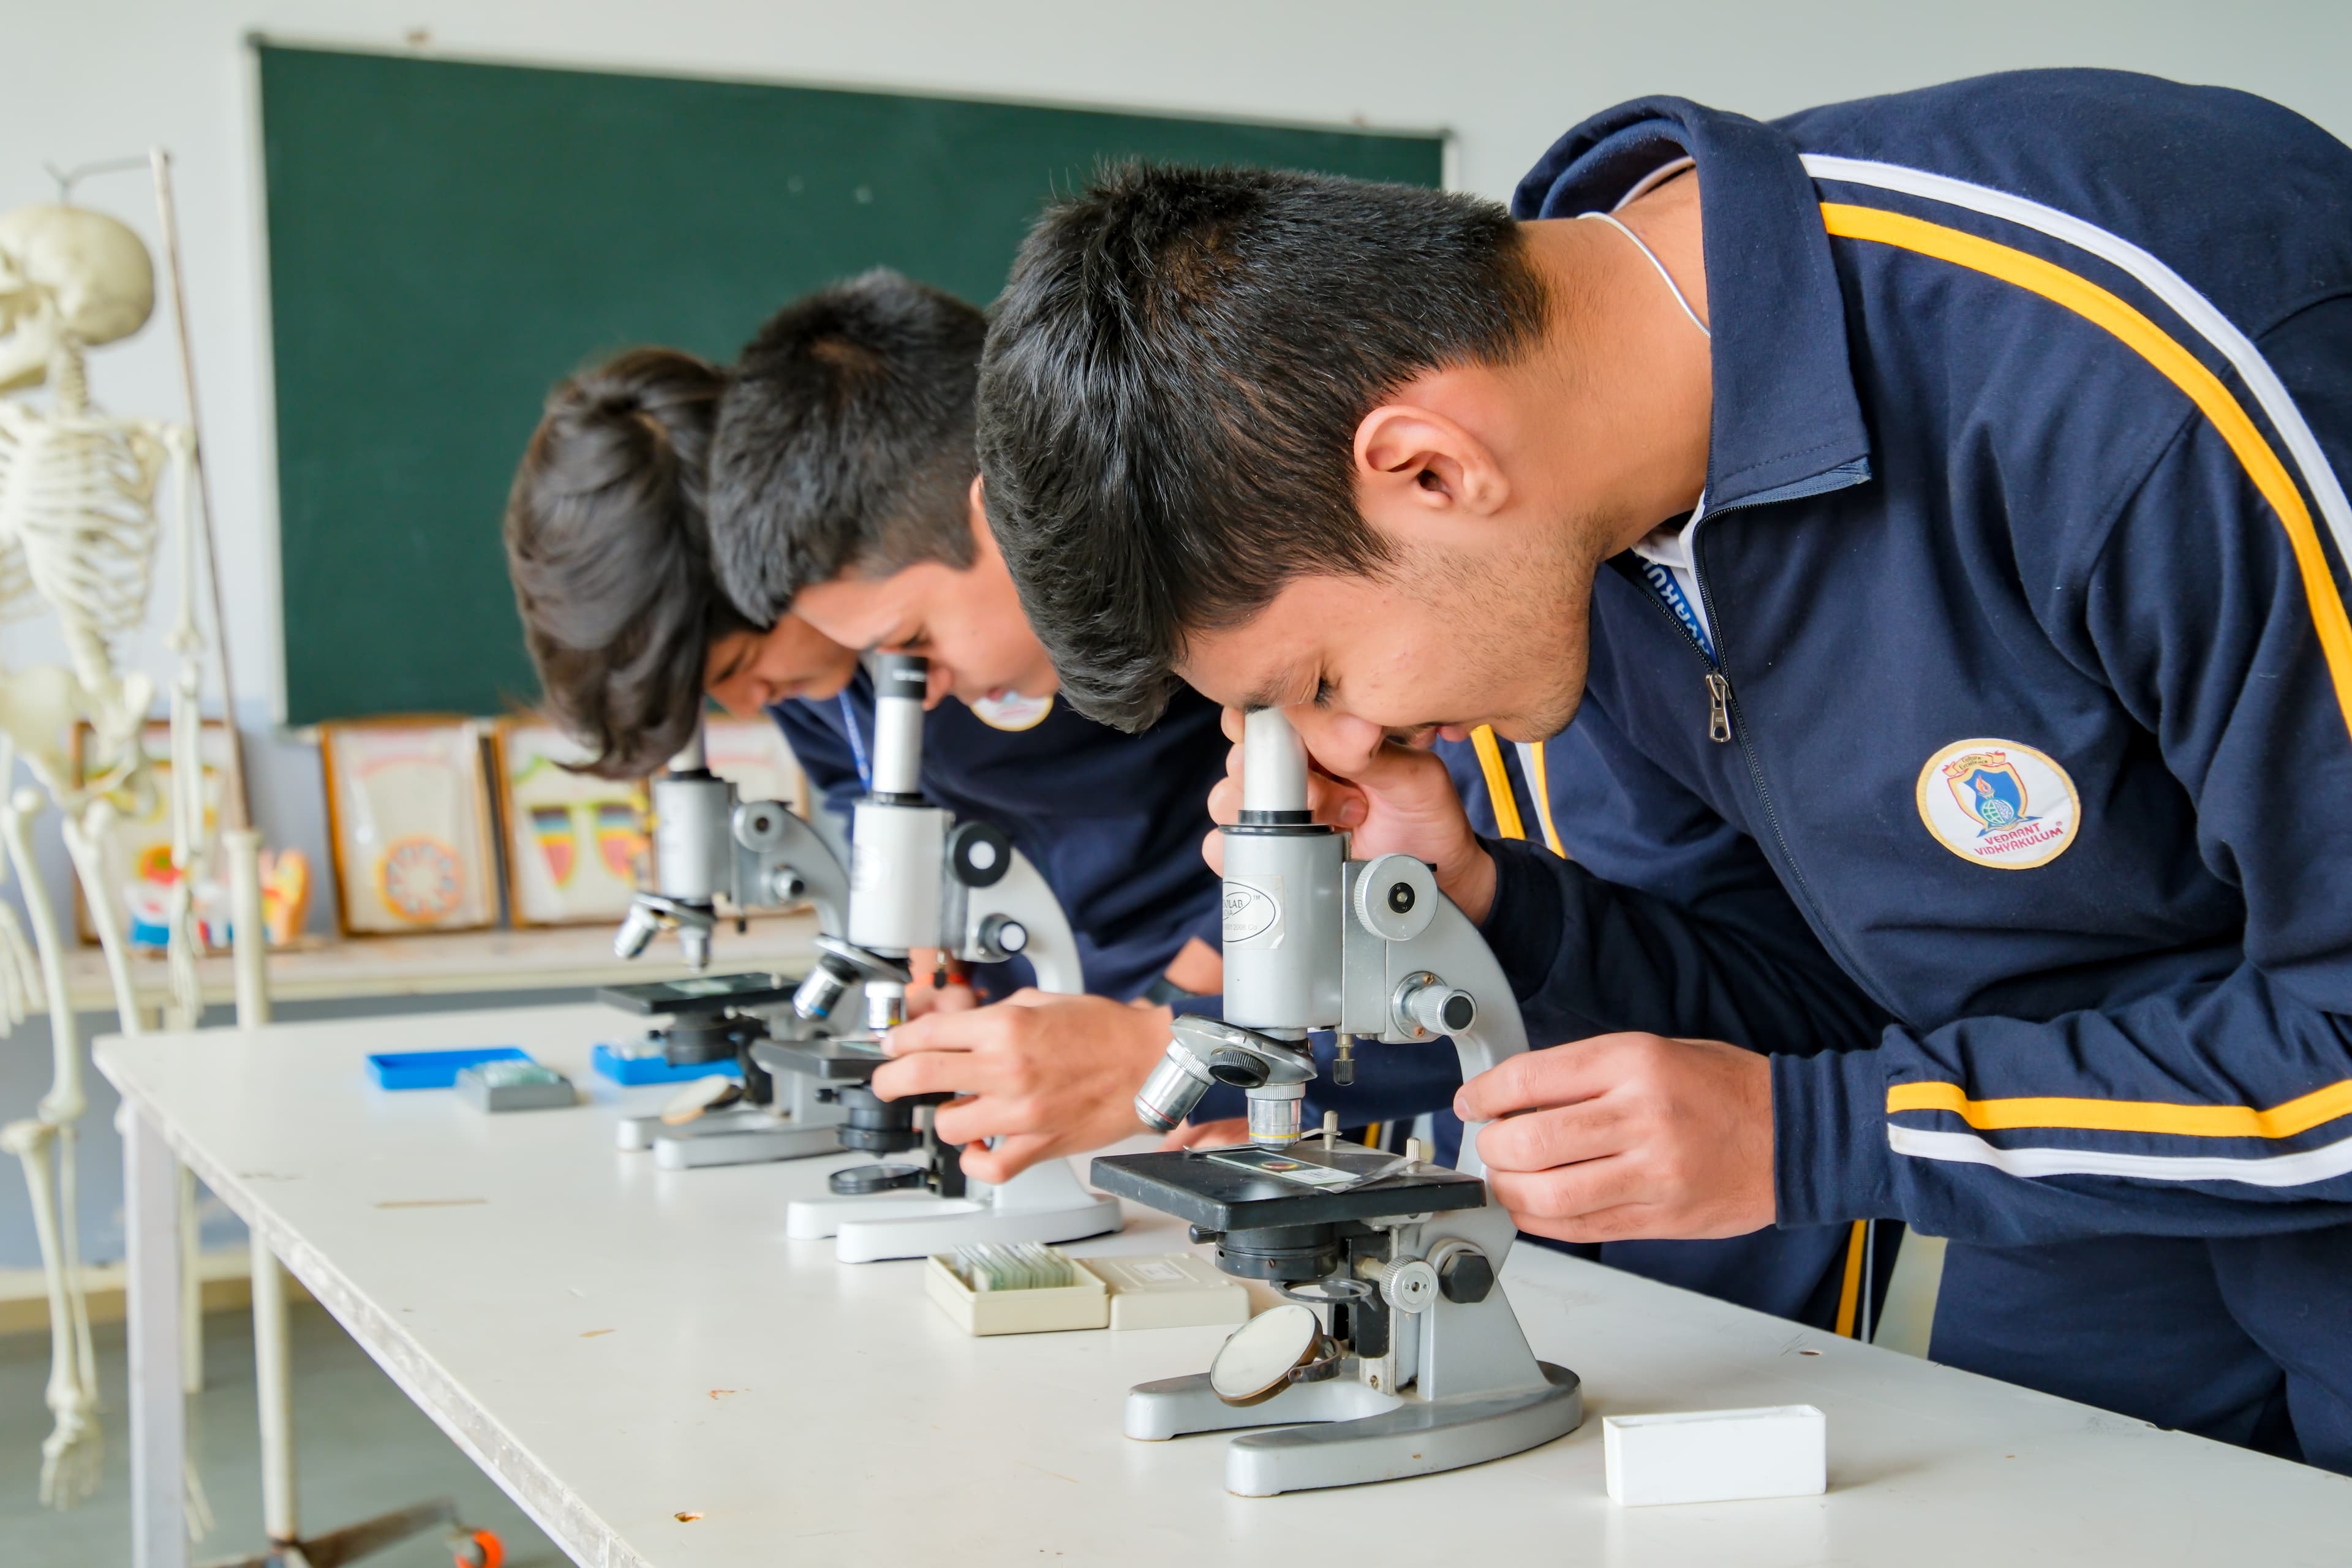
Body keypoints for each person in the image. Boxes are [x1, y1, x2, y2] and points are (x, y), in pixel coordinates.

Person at [974, 69, 2352, 1469]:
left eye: (1319, 680)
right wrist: (1497, 908)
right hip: (2095, 1216)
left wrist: (1815, 1133)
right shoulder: (1593, 524)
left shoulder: (2135, 378)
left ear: (1430, 471)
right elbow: (1822, 1008)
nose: (1343, 732)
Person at [504, 341, 1226, 1183]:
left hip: (1219, 974)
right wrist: (934, 968)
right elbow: (873, 810)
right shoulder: (815, 682)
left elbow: (1296, 788)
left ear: (782, 562)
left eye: (740, 670)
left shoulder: (1024, 593)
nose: (751, 704)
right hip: (1062, 1003)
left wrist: (1166, 1016)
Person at [699, 271, 1244, 1182]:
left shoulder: (1235, 591)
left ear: (996, 515)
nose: (934, 692)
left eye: (916, 643)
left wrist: (1163, 1030)